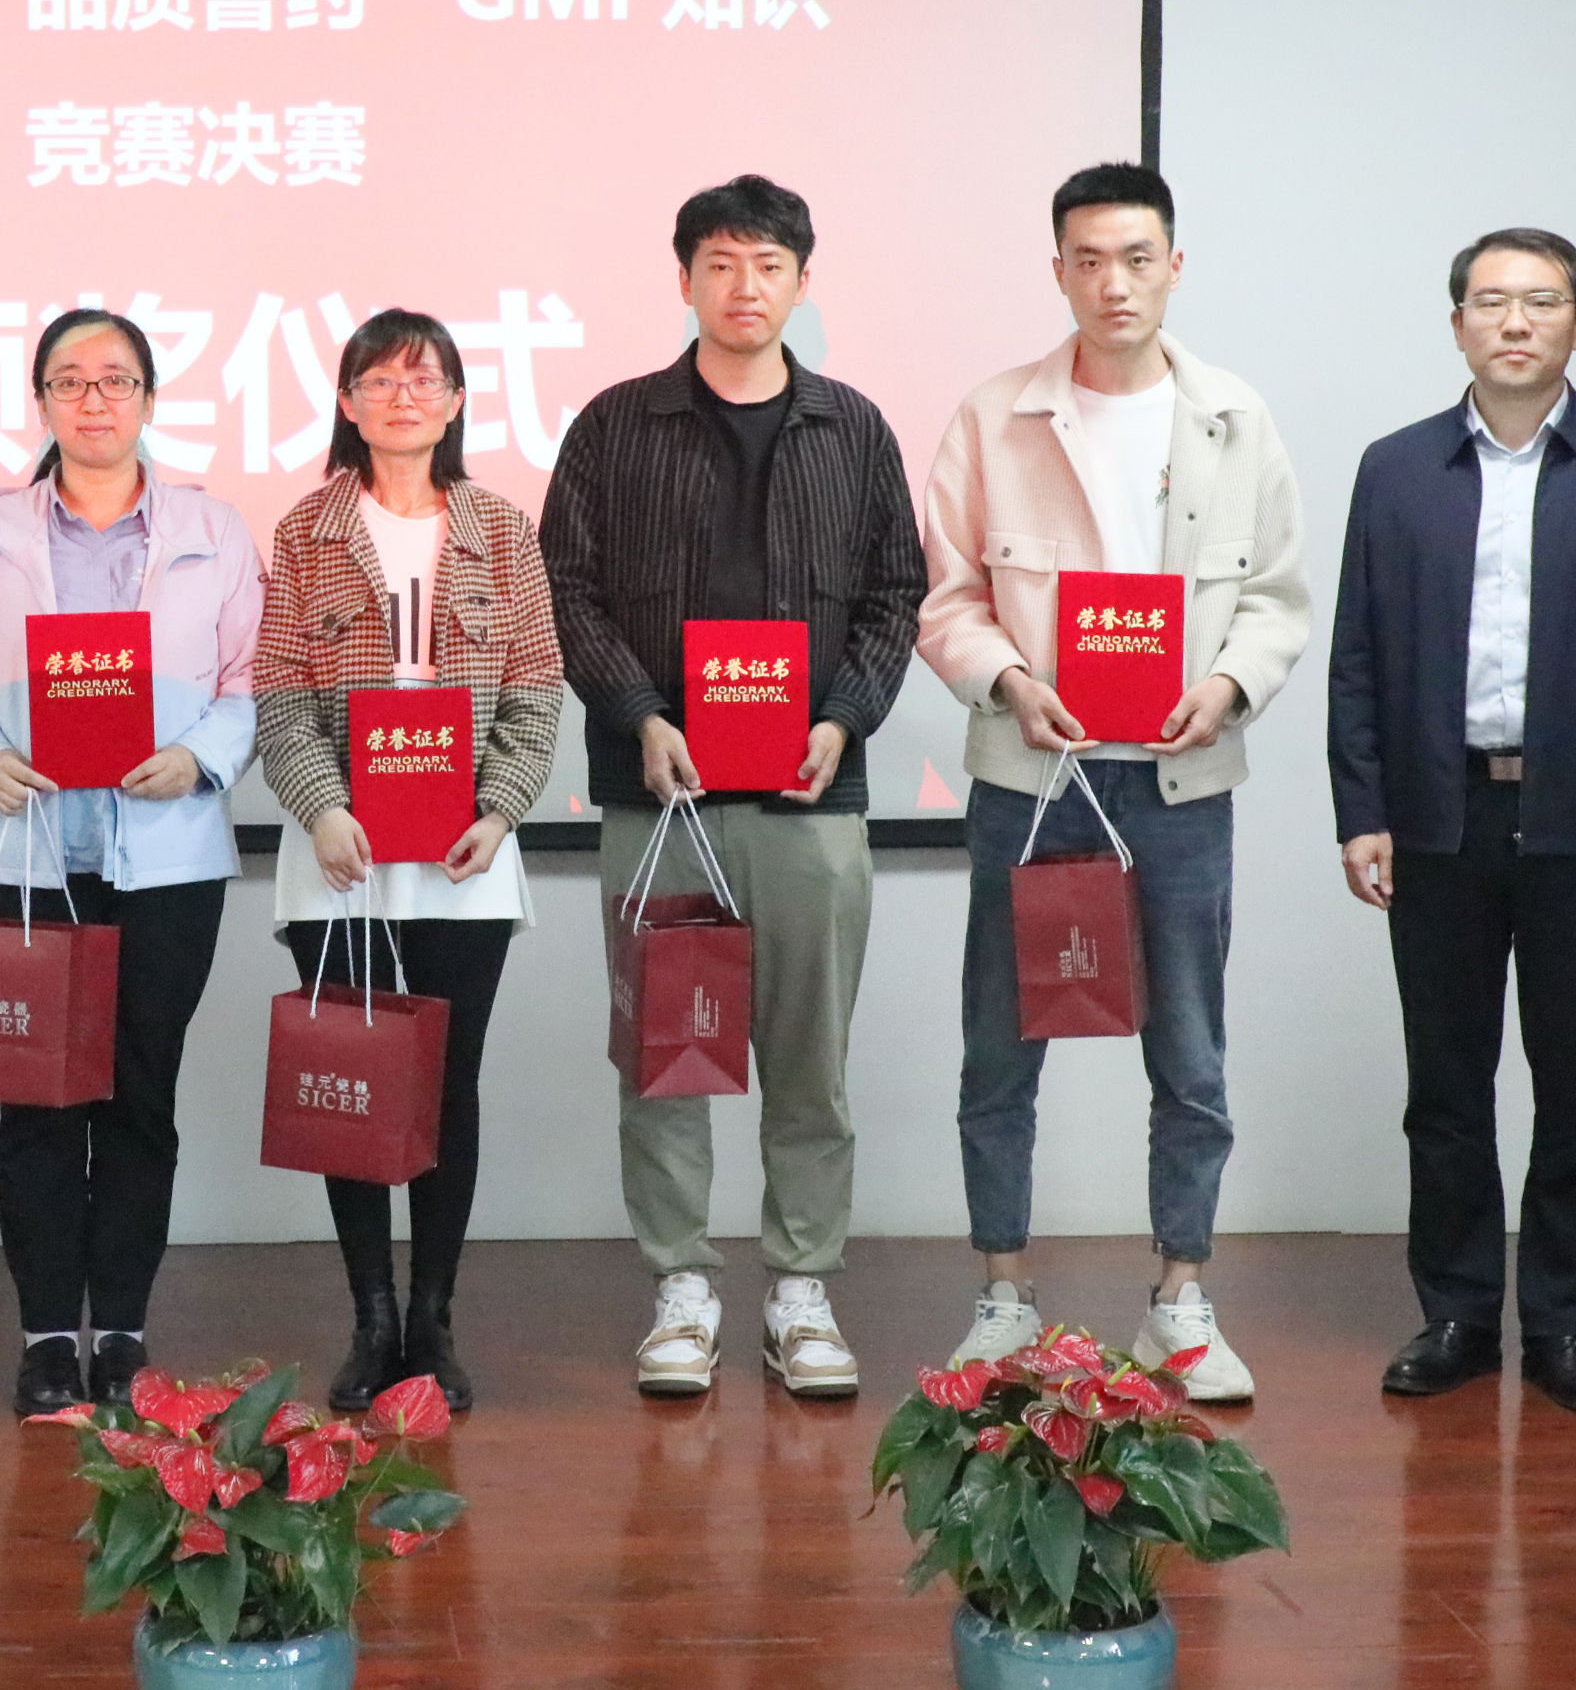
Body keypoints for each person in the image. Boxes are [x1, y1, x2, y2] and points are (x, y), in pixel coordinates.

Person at [916, 162, 1310, 1403]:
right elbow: (948, 596)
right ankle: (1002, 1295)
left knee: (1190, 1050)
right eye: (1088, 260)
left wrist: (1230, 686)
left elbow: (1277, 597)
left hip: (1181, 780)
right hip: (1033, 777)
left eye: (1137, 258)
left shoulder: (1235, 416)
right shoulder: (996, 416)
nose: (1114, 283)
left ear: (1174, 266)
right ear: (1058, 273)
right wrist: (1007, 680)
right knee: (1001, 1046)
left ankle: (1180, 1300)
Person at [540, 177, 925, 1401]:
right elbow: (568, 589)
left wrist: (844, 716)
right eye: (720, 263)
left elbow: (896, 593)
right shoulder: (616, 425)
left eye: (767, 265)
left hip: (812, 803)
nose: (743, 286)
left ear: (803, 282)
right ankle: (682, 1285)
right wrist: (639, 715)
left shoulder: (853, 428)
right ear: (685, 280)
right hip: (663, 802)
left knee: (808, 1063)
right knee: (666, 1057)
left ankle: (801, 1286)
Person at [1332, 227, 1576, 1420]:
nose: (1514, 321)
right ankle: (1454, 1314)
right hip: (1437, 817)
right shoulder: (1396, 470)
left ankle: (1564, 1326)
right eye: (1491, 300)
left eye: (1541, 301)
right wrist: (1362, 810)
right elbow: (1356, 657)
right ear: (1457, 325)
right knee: (1446, 1084)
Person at [0, 310, 265, 1416]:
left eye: (116, 379)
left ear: (151, 400)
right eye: (69, 381)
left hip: (166, 859)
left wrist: (198, 760)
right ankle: (42, 1337)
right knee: (35, 1106)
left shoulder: (213, 529)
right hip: (23, 852)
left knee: (138, 1099)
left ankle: (119, 1329)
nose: (94, 399)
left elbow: (247, 681)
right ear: (42, 403)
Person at [255, 309, 565, 1415]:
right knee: (351, 1081)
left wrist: (501, 807)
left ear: (455, 402)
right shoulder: (306, 531)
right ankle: (370, 1317)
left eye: (423, 379)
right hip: (339, 855)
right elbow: (279, 693)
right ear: (346, 402)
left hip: (462, 857)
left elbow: (535, 689)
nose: (402, 396)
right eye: (378, 380)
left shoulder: (502, 531)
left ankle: (433, 1319)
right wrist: (323, 807)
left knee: (446, 1086)